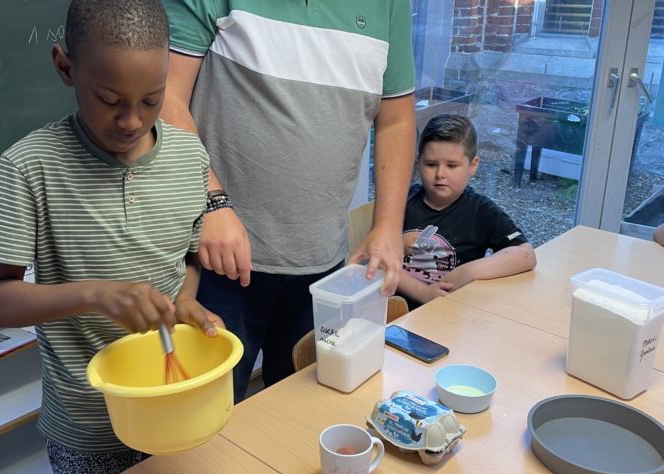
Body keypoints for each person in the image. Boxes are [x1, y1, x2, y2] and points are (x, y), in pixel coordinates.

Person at [0, 0, 222, 474]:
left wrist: (185, 302)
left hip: (175, 405)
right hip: (88, 430)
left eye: (151, 100)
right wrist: (95, 293)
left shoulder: (189, 156)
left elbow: (189, 257)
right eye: (109, 99)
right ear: (66, 67)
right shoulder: (30, 168)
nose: (131, 121)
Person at [161, 1, 417, 402]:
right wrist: (211, 200)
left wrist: (387, 225)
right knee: (207, 411)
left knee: (304, 409)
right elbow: (164, 97)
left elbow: (396, 119)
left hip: (324, 266)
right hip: (216, 260)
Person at [399, 114, 537, 308]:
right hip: (395, 312)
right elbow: (380, 261)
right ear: (418, 162)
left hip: (453, 313)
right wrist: (424, 293)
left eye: (452, 165)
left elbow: (525, 255)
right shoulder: (401, 201)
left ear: (473, 166)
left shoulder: (480, 211)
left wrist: (469, 271)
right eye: (431, 164)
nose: (440, 174)